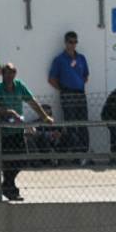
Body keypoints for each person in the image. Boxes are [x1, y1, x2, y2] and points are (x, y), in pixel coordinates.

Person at [0, 63, 53, 201]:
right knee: (8, 161)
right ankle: (10, 189)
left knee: (21, 158)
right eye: (7, 73)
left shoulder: (19, 85)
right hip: (5, 131)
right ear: (2, 74)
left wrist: (45, 117)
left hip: (18, 130)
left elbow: (32, 102)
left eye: (12, 73)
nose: (10, 75)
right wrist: (9, 112)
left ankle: (7, 186)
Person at [48, 31, 90, 162]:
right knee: (70, 124)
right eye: (71, 42)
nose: (73, 45)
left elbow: (85, 76)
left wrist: (77, 85)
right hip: (67, 94)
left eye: (75, 42)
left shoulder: (81, 58)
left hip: (80, 93)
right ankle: (74, 153)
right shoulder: (59, 59)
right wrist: (65, 89)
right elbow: (51, 79)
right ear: (65, 42)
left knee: (83, 123)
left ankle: (83, 152)